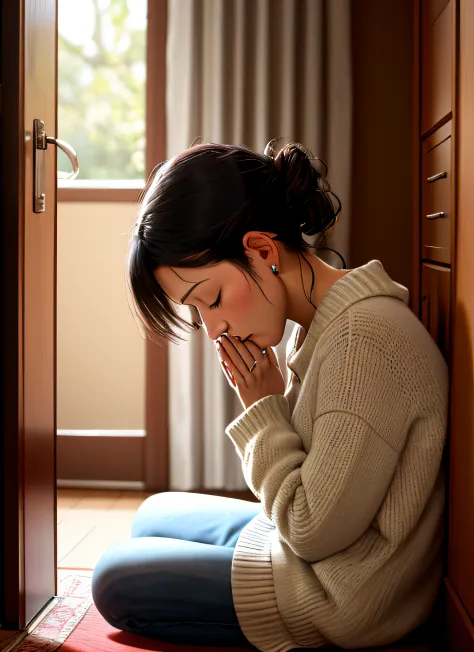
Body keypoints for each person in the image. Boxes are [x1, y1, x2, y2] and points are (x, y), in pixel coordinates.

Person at [91, 139, 448, 651]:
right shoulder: (322, 323)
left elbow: (309, 529)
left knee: (113, 577)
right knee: (155, 512)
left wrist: (263, 409)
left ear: (261, 250)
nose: (214, 329)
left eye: (210, 299)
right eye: (198, 313)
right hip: (309, 554)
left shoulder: (363, 343)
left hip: (342, 594)